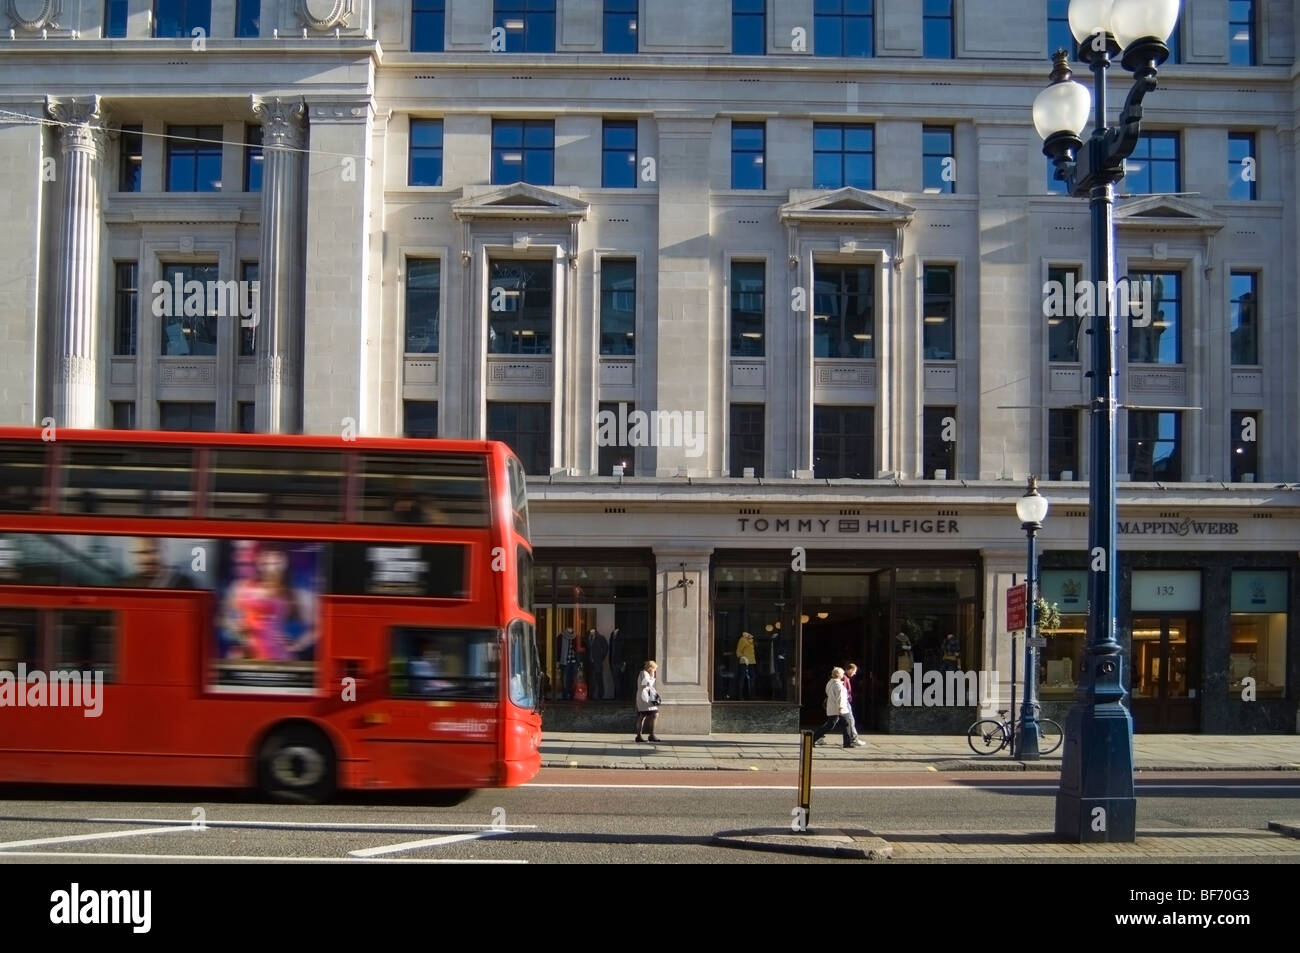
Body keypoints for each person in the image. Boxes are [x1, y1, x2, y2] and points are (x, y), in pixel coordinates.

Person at [810, 666, 853, 749]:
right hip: (841, 709)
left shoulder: (830, 682)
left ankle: (813, 738)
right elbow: (840, 697)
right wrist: (841, 708)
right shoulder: (838, 685)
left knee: (831, 725)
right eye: (842, 673)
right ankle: (847, 743)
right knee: (845, 724)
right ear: (839, 675)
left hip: (832, 708)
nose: (843, 674)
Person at [837, 663, 866, 747]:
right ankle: (854, 739)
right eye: (854, 671)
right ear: (850, 670)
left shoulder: (845, 678)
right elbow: (845, 691)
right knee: (850, 720)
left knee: (833, 722)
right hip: (845, 702)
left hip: (844, 702)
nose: (855, 673)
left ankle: (818, 736)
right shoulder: (845, 678)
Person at [635, 660, 662, 743]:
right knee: (654, 714)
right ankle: (651, 735)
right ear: (651, 668)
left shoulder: (643, 673)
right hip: (645, 698)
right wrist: (652, 677)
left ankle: (640, 736)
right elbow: (646, 684)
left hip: (643, 697)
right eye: (654, 669)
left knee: (642, 715)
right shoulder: (644, 673)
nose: (655, 671)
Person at [735, 630, 756, 699]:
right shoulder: (743, 640)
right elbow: (738, 651)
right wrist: (743, 657)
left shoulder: (751, 641)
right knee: (742, 678)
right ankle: (740, 696)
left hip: (751, 662)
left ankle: (750, 695)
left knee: (752, 678)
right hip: (744, 662)